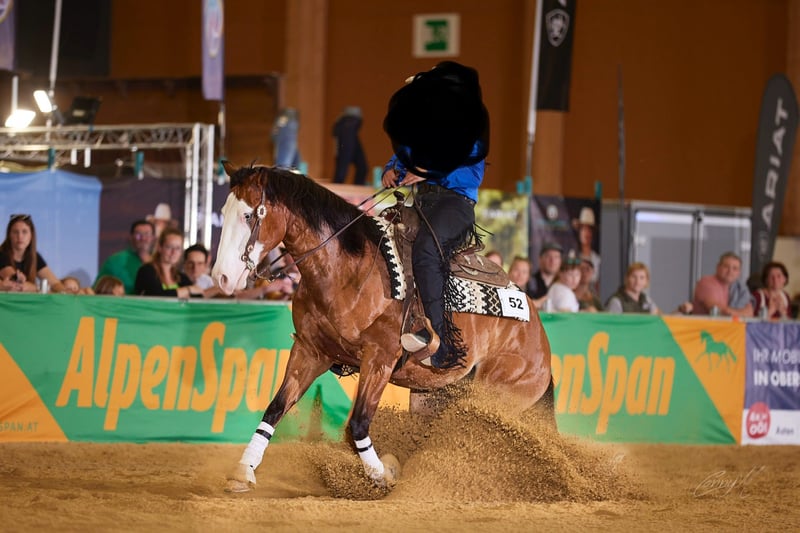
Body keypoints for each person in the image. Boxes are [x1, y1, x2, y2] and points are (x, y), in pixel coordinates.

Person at [381, 60, 490, 369]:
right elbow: (400, 159)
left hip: (455, 205)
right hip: (425, 205)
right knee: (380, 243)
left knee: (426, 251)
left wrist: (428, 172)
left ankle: (441, 342)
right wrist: (389, 171)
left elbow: (470, 173)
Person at [0, 214, 66, 293]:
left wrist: (63, 290)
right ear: (9, 235)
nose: (20, 236)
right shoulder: (2, 254)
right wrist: (39, 288)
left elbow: (56, 284)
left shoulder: (34, 256)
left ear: (31, 235)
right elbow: (15, 281)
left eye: (24, 232)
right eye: (15, 232)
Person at [134, 228, 203, 298]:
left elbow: (198, 295)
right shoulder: (146, 271)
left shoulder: (180, 276)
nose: (174, 252)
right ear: (159, 248)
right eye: (169, 247)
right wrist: (187, 290)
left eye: (178, 248)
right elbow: (156, 296)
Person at [96, 219, 155, 295]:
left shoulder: (161, 263)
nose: (143, 238)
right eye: (138, 234)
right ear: (131, 237)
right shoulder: (115, 261)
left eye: (147, 234)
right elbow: (97, 289)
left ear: (153, 238)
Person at [691, 252, 753, 317]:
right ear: (718, 267)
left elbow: (750, 313)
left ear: (739, 273)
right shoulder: (706, 283)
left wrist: (734, 313)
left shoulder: (739, 288)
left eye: (735, 268)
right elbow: (720, 311)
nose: (730, 271)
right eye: (726, 267)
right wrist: (741, 313)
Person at [332, 106, 368, 185]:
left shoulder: (343, 126)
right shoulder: (347, 126)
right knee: (344, 164)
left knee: (361, 166)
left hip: (346, 121)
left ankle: (340, 183)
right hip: (347, 121)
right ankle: (338, 184)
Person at [528, 242, 563, 309]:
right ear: (540, 259)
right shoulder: (529, 281)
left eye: (556, 257)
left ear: (560, 261)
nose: (552, 261)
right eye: (548, 256)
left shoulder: (564, 283)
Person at [573, 206, 601, 285]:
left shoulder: (597, 260)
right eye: (583, 229)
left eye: (589, 230)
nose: (586, 233)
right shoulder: (573, 256)